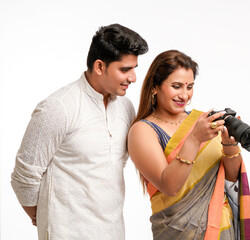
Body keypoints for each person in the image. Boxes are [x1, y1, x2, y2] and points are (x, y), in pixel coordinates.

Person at [11, 23, 148, 240]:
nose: (133, 78)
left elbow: (115, 163)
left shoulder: (125, 107)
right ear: (100, 66)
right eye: (125, 69)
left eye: (134, 69)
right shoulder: (58, 107)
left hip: (113, 232)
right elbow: (24, 177)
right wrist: (48, 219)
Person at [127, 50, 250, 240]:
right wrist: (194, 139)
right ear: (155, 87)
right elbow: (169, 186)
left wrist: (229, 145)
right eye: (176, 86)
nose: (184, 95)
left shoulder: (201, 121)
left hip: (222, 229)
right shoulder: (143, 131)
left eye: (189, 87)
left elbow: (230, 180)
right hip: (179, 231)